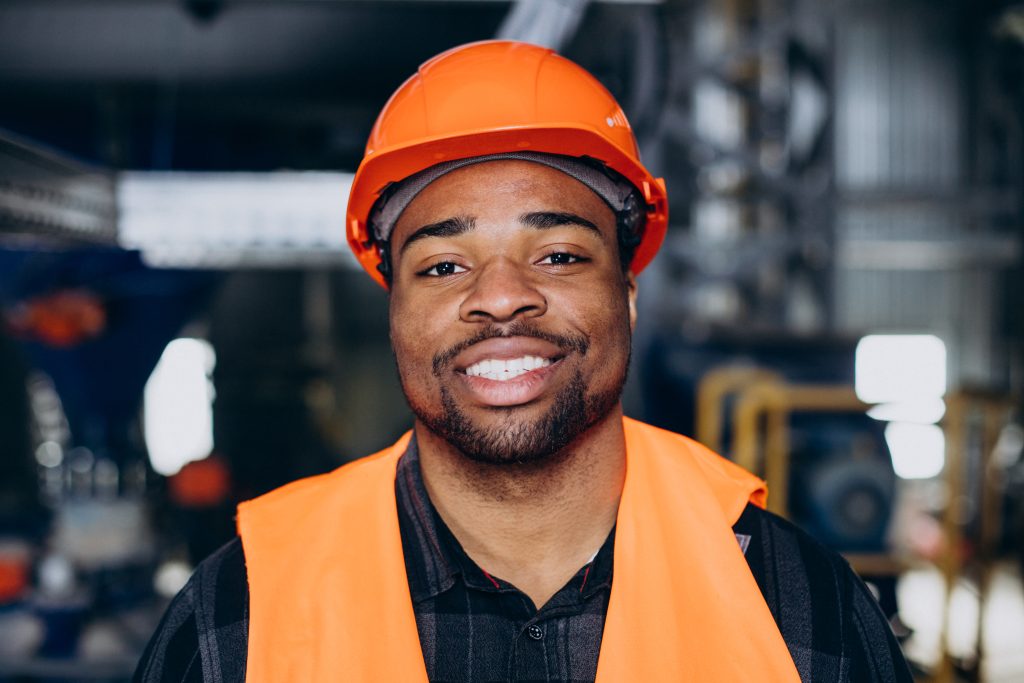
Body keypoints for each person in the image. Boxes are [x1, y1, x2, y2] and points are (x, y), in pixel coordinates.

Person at [134, 41, 912, 682]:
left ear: (630, 294)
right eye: (443, 266)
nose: (502, 297)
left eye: (560, 254)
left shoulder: (800, 608)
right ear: (395, 312)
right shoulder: (238, 615)